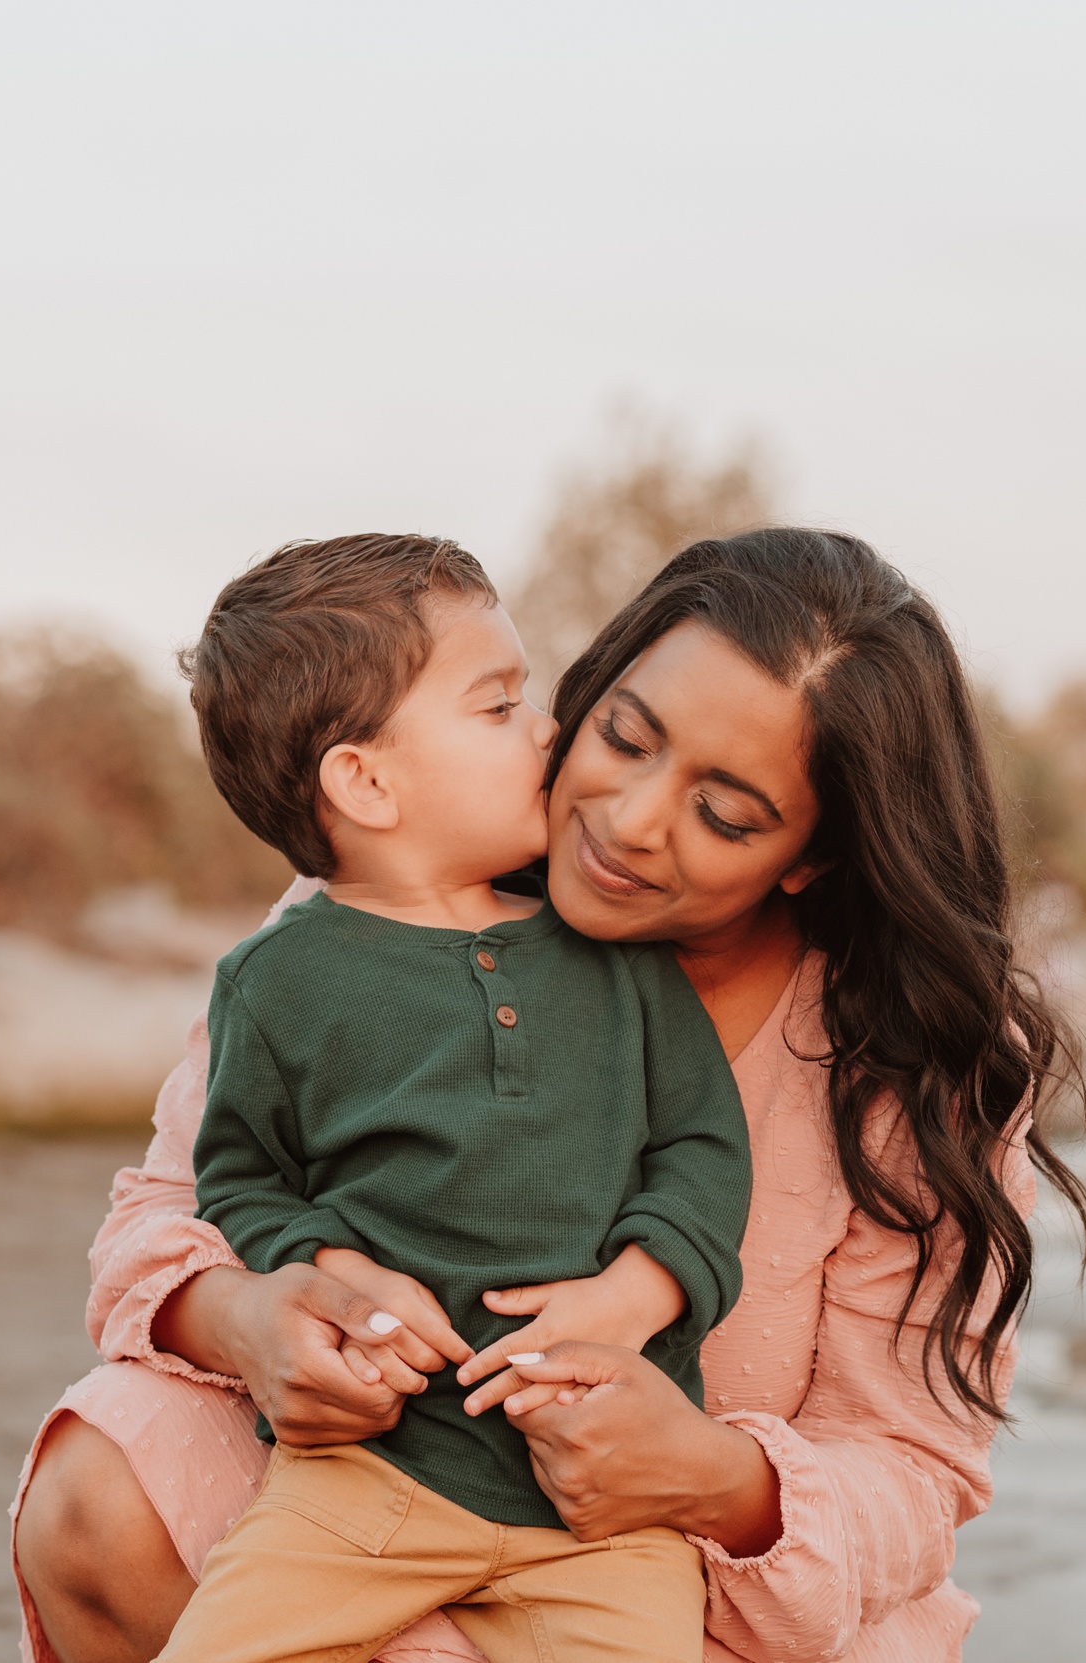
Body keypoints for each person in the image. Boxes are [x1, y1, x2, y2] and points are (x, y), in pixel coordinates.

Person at [12, 527, 1086, 1663]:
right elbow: (168, 1210)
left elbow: (916, 1470)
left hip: (677, 1590)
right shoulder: (368, 910)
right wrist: (254, 1319)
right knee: (101, 1488)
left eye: (724, 815)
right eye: (622, 737)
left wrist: (710, 1474)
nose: (627, 821)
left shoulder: (914, 1068)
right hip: (378, 1513)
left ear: (811, 856)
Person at [158, 534, 753, 1663]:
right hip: (366, 1485)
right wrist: (329, 1267)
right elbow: (239, 1174)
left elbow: (703, 1145)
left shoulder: (613, 953)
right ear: (366, 781)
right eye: (499, 706)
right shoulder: (277, 981)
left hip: (603, 1517)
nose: (548, 730)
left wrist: (637, 1295)